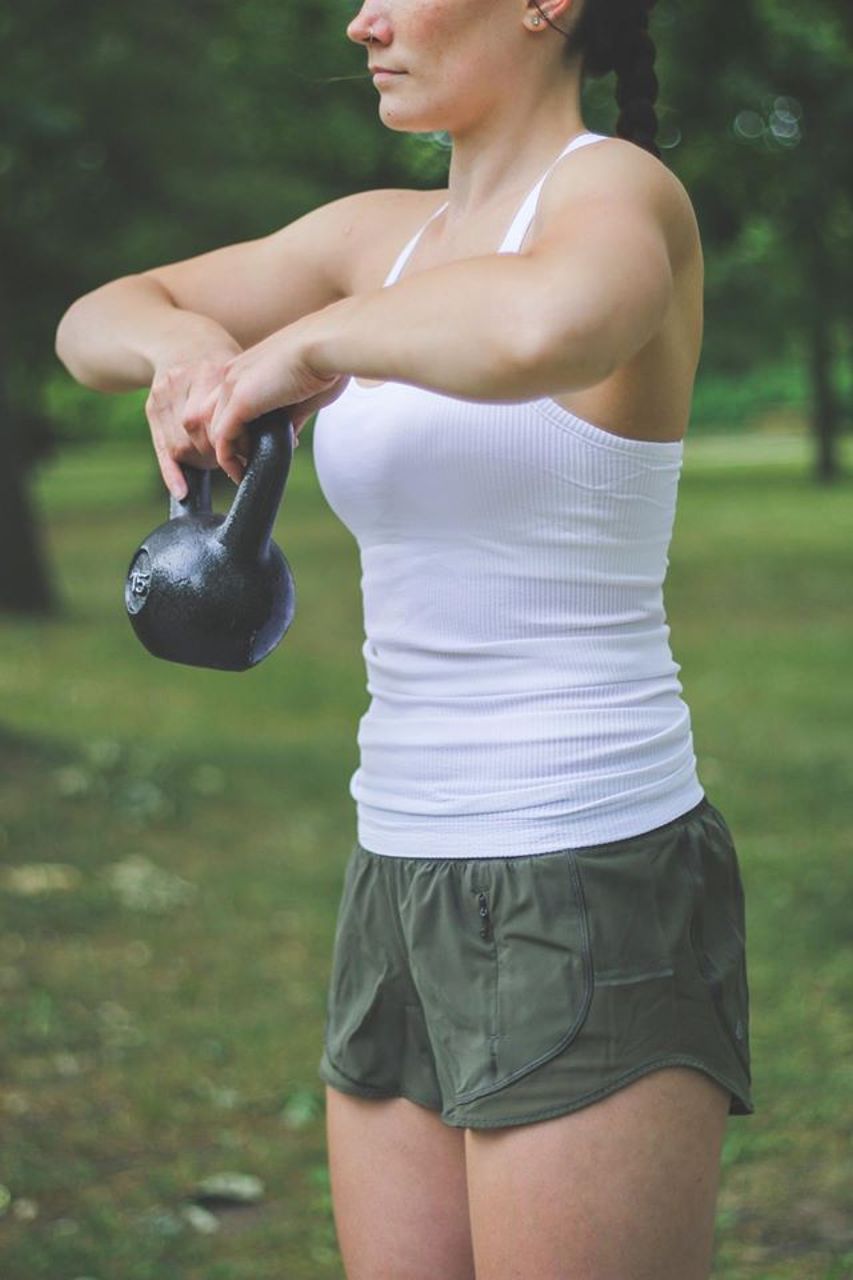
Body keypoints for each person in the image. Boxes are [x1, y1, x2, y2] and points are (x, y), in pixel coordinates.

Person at [55, 0, 755, 1276]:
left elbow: (543, 327)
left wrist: (304, 342)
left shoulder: (620, 197)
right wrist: (184, 344)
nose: (358, 19)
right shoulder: (378, 234)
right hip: (399, 864)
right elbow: (95, 314)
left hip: (583, 865)